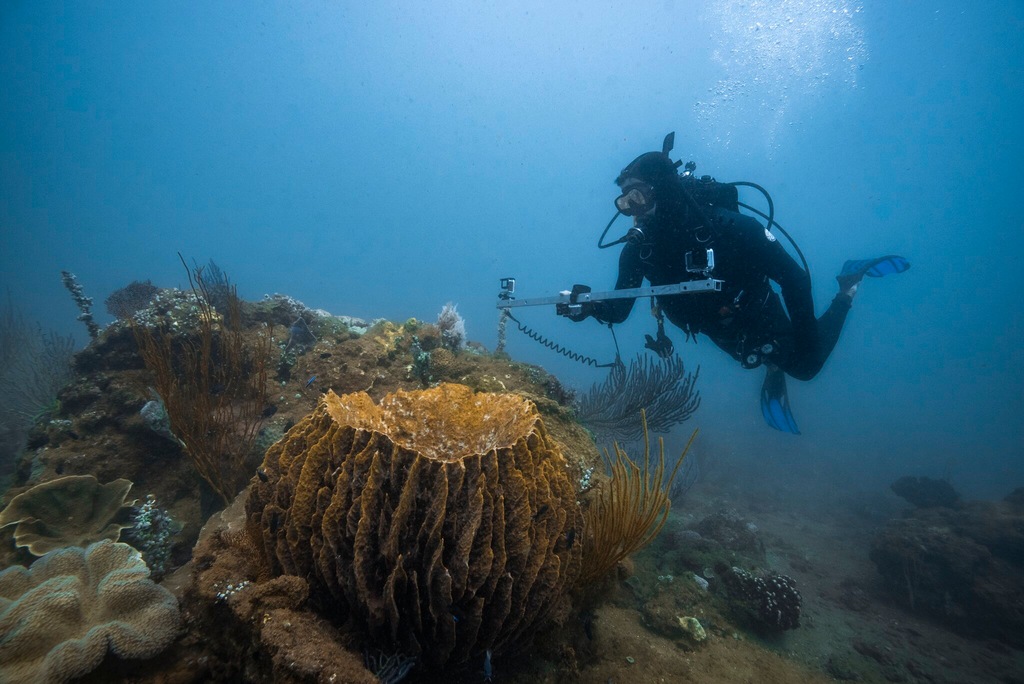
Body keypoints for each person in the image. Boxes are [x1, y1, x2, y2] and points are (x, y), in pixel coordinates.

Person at [565, 133, 909, 433]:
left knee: (805, 367)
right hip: (716, 331)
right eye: (625, 203)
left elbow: (794, 279)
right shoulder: (640, 250)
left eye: (637, 197)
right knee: (763, 357)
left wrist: (807, 345)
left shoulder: (727, 227)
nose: (632, 211)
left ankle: (847, 287)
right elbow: (619, 310)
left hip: (757, 312)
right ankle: (774, 360)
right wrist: (590, 306)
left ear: (663, 189)